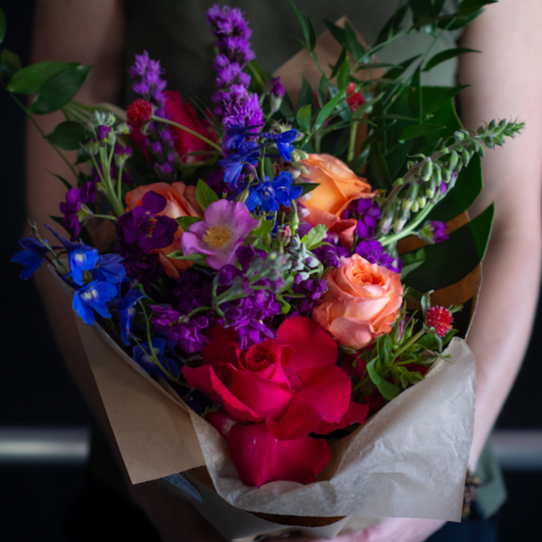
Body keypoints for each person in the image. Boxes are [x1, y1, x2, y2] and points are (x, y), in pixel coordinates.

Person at [26, 1, 542, 541]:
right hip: (160, 460)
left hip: (415, 467)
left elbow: (510, 228)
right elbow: (56, 209)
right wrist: (156, 488)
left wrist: (417, 504)